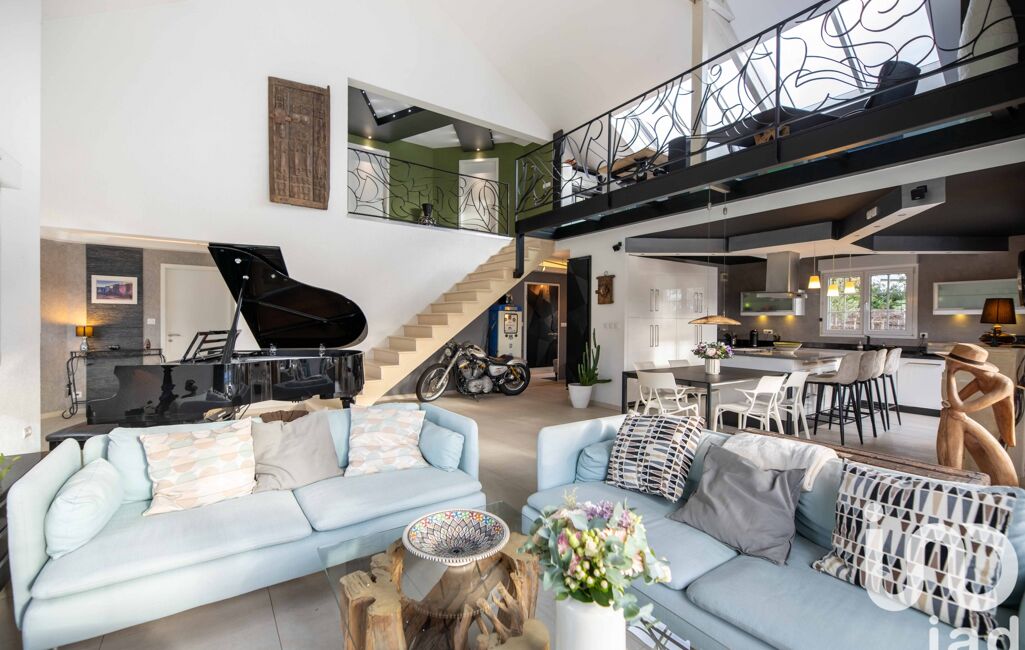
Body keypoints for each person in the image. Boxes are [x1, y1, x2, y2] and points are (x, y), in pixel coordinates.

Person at [937, 343, 1017, 486]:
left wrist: (950, 373)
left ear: (966, 365)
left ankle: (952, 478)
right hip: (988, 426)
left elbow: (960, 406)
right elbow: (951, 402)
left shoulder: (1004, 384)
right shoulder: (981, 381)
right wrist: (948, 406)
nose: (948, 362)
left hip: (1004, 432)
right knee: (949, 413)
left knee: (955, 415)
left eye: (952, 361)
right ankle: (950, 474)